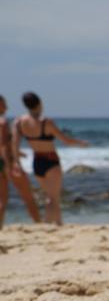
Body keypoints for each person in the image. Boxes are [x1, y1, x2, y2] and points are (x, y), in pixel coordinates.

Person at [11, 92, 88, 225]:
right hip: (51, 161)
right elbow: (66, 140)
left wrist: (17, 163)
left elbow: (15, 144)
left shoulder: (19, 122)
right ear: (39, 103)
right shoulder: (46, 122)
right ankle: (47, 224)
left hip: (37, 162)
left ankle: (59, 223)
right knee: (52, 198)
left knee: (50, 195)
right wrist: (80, 143)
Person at [1, 95, 42, 227]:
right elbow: (3, 146)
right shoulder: (2, 122)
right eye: (3, 104)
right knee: (28, 196)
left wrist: (18, 152)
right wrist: (11, 164)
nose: (6, 107)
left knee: (3, 199)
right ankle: (39, 224)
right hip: (7, 163)